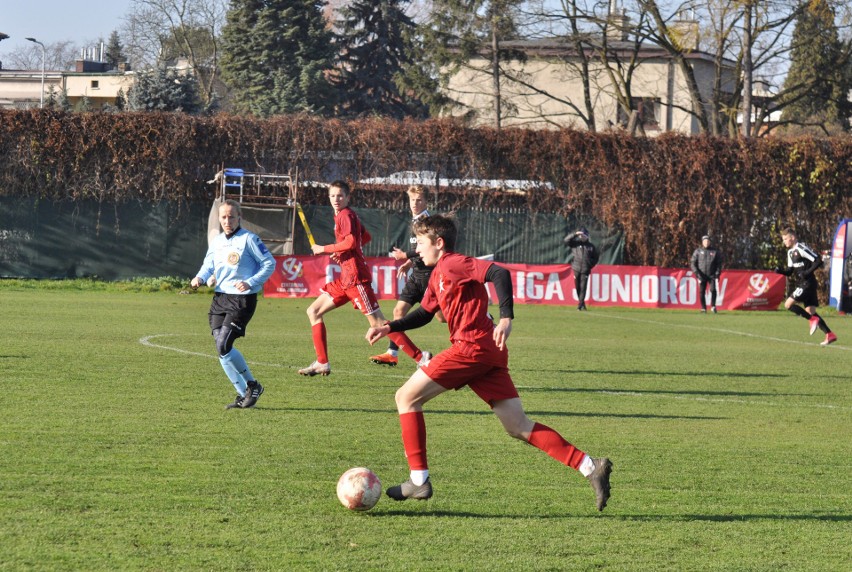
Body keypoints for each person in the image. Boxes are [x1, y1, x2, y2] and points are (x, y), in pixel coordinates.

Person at [366, 215, 613, 511]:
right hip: (488, 352)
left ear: (439, 243)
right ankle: (590, 466)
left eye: (420, 243)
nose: (416, 249)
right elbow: (424, 314)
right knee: (517, 425)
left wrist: (506, 317)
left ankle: (418, 480)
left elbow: (499, 273)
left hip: (471, 347)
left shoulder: (454, 262)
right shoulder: (436, 276)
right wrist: (390, 327)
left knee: (405, 397)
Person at [298, 180, 429, 376]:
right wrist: (341, 251)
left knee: (379, 325)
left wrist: (325, 249)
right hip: (346, 279)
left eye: (340, 196)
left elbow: (351, 241)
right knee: (314, 311)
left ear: (348, 198)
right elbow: (363, 238)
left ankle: (421, 358)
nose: (336, 199)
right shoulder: (345, 216)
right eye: (333, 196)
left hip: (356, 278)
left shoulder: (346, 215)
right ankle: (322, 362)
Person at [191, 199, 276, 409]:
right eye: (223, 217)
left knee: (224, 345)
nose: (227, 220)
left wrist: (250, 282)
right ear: (219, 219)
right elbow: (207, 265)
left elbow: (269, 263)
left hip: (242, 300)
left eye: (231, 216)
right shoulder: (218, 242)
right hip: (220, 298)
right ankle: (243, 395)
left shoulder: (249, 239)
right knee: (220, 348)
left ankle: (253, 385)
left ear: (239, 218)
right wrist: (199, 278)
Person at [370, 185, 434, 367]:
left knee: (443, 317)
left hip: (430, 276)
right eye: (412, 199)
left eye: (419, 199)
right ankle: (392, 352)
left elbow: (428, 249)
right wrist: (408, 263)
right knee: (398, 312)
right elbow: (418, 249)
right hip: (417, 275)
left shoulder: (427, 222)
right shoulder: (415, 221)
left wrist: (405, 256)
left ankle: (484, 318)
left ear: (426, 201)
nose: (415, 203)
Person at [774, 227, 837, 346]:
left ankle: (812, 320)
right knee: (811, 311)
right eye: (783, 240)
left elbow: (818, 260)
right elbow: (790, 271)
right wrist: (780, 271)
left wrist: (807, 272)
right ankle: (829, 334)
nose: (784, 242)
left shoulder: (801, 248)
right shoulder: (790, 252)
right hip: (804, 283)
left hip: (808, 283)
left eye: (785, 239)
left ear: (792, 238)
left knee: (788, 304)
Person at [564, 227, 599, 310]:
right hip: (576, 268)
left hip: (585, 269)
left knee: (583, 287)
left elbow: (596, 258)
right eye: (581, 235)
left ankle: (580, 305)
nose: (582, 237)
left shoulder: (591, 246)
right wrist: (575, 234)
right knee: (577, 287)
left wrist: (590, 265)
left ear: (587, 236)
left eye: (584, 235)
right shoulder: (575, 244)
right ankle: (582, 303)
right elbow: (566, 240)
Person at [690, 234, 723, 313]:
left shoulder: (715, 252)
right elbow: (693, 263)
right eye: (705, 241)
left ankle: (713, 306)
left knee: (713, 290)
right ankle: (703, 308)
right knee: (702, 292)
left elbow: (719, 264)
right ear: (702, 242)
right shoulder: (697, 251)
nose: (706, 242)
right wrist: (697, 273)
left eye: (708, 241)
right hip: (701, 275)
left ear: (710, 242)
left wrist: (717, 273)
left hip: (712, 275)